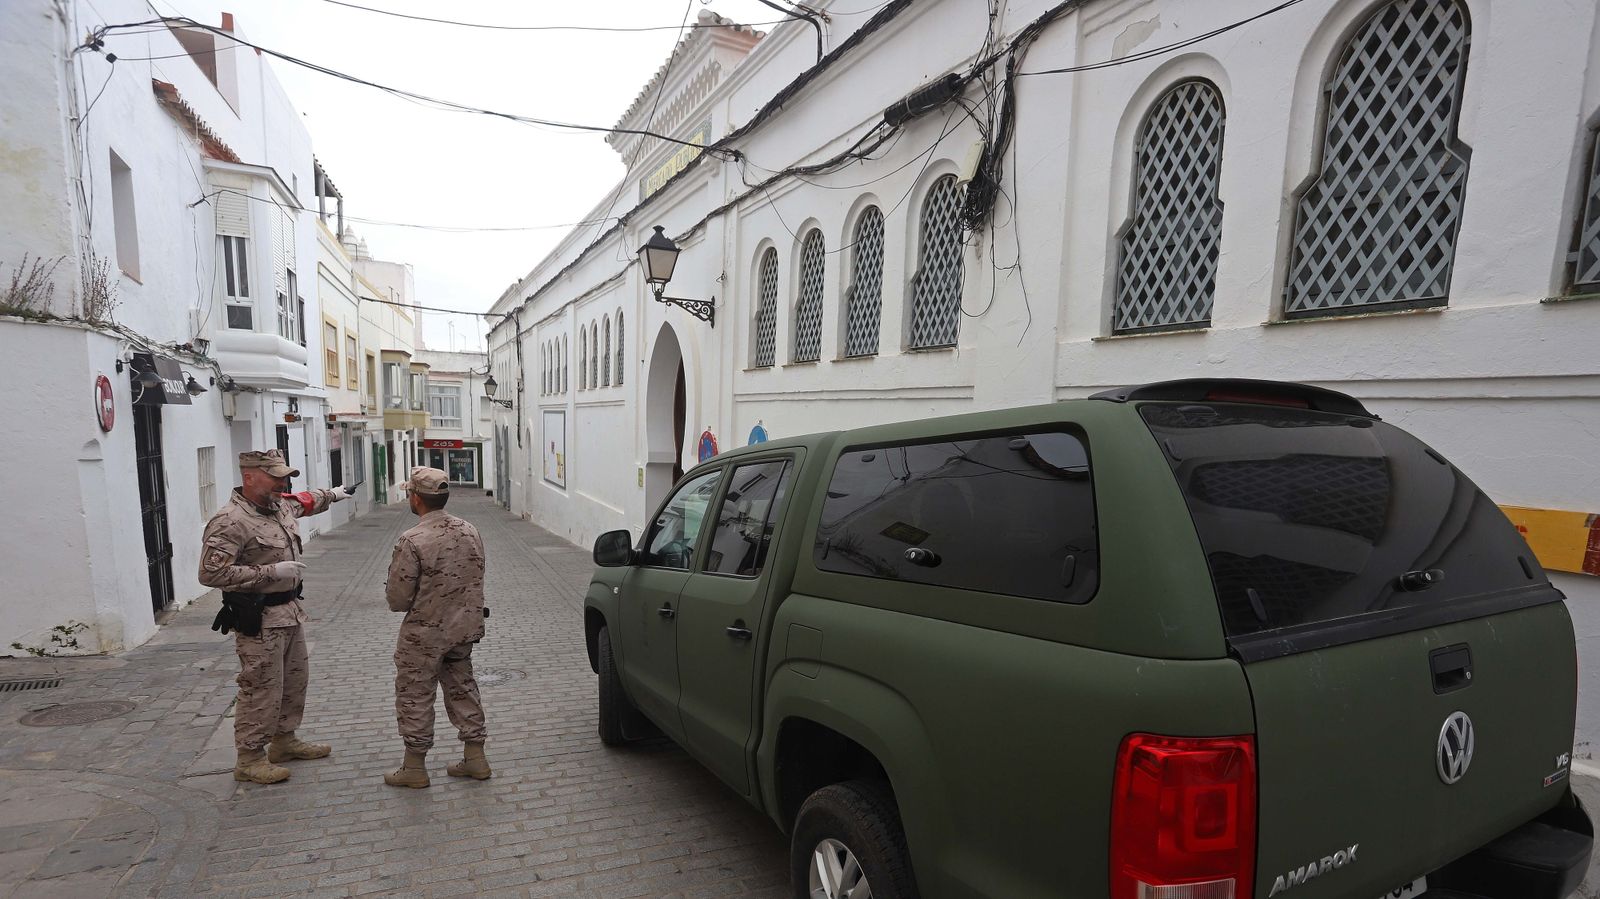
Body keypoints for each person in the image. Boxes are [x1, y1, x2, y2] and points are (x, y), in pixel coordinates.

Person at [199, 449, 353, 785]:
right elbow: (210, 574)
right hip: (258, 617)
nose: (282, 483)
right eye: (275, 477)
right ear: (250, 475)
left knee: (294, 682)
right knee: (260, 687)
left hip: (290, 611)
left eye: (285, 477)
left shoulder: (279, 504)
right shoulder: (230, 521)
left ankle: (284, 741)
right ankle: (250, 757)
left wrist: (335, 495)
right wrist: (270, 570)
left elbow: (304, 501)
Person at [383, 467, 490, 788]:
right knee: (463, 689)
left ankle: (414, 767)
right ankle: (476, 758)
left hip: (424, 635)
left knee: (415, 694)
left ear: (416, 498)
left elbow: (398, 599)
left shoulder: (413, 540)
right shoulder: (470, 530)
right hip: (463, 630)